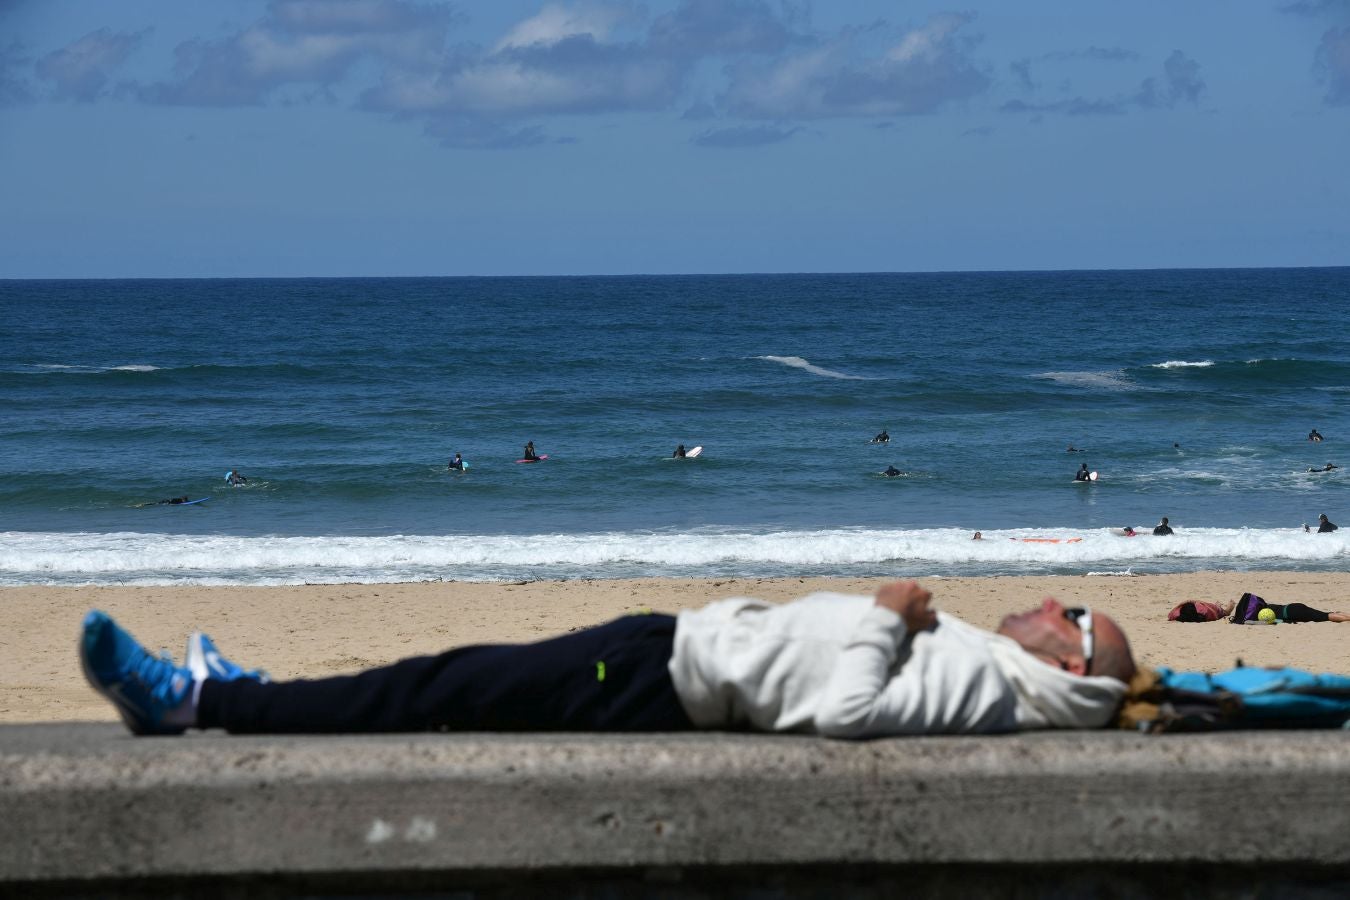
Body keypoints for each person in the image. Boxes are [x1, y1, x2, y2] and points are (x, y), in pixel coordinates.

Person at [78, 580, 1135, 739]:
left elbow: (849, 714)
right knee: (441, 678)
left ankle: (201, 704)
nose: (1048, 600)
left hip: (654, 682)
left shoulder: (993, 684)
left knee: (436, 689)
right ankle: (253, 693)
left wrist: (885, 616)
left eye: (1071, 610)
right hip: (666, 648)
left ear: (1075, 658)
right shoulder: (1005, 675)